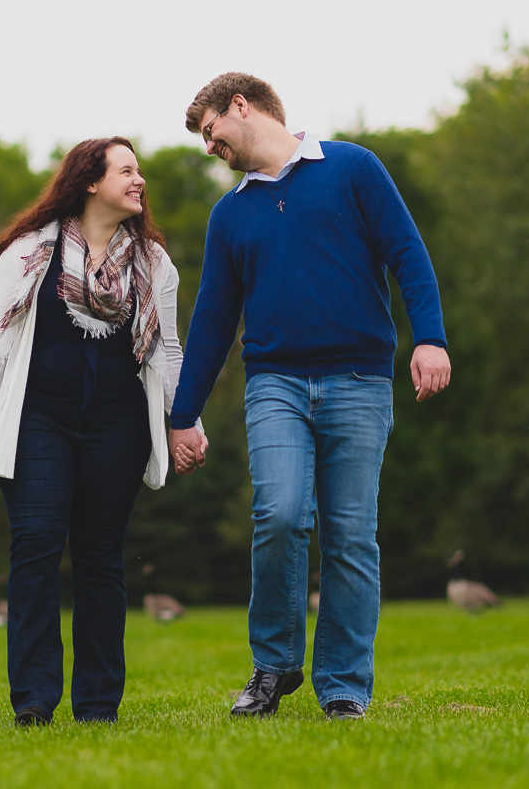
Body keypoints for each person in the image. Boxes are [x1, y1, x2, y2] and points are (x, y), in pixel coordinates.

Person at [169, 73, 450, 721]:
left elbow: (406, 254)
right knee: (280, 513)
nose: (212, 148)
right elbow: (212, 321)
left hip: (358, 382)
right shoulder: (229, 214)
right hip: (275, 384)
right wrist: (182, 416)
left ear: (240, 107)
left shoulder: (350, 167)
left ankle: (344, 687)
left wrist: (429, 338)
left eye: (212, 133)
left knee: (350, 536)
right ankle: (272, 668)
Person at [0, 137, 196, 726]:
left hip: (118, 423)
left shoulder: (155, 264)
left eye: (140, 172)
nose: (139, 181)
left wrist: (186, 422)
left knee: (100, 559)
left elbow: (167, 348)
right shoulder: (30, 251)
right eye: (127, 171)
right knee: (35, 547)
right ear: (90, 181)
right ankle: (34, 700)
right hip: (38, 419)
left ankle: (97, 705)